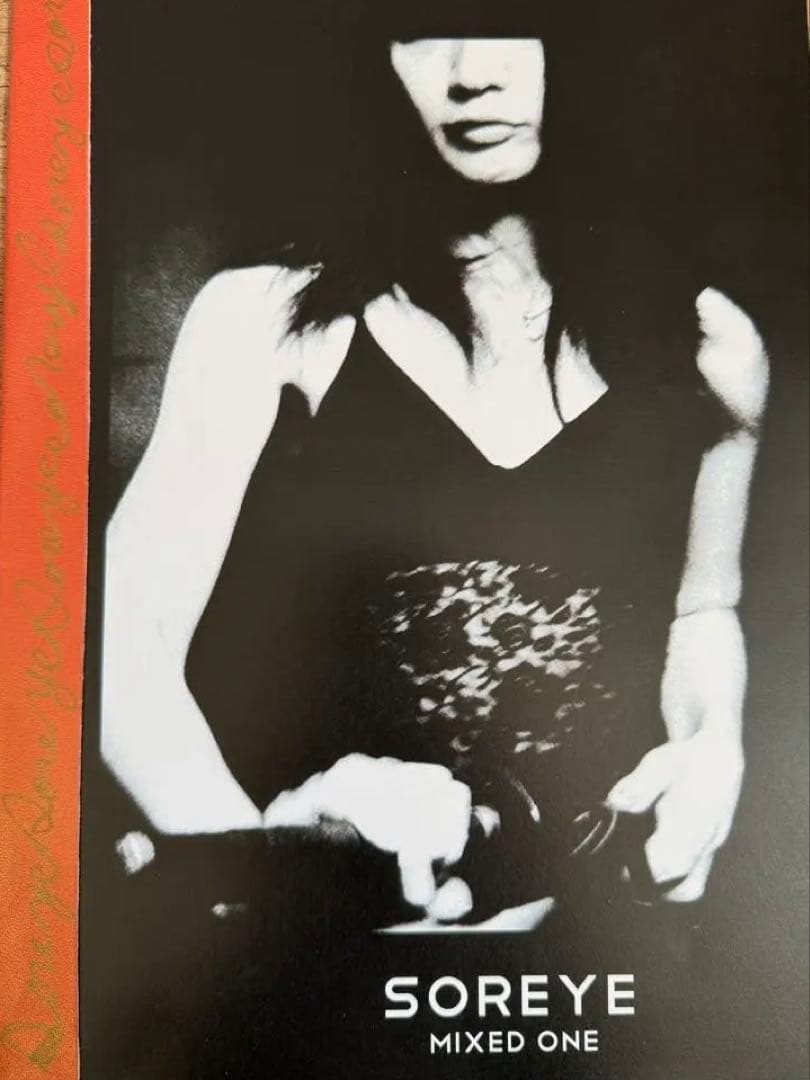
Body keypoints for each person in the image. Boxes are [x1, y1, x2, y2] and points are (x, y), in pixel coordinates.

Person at [100, 23, 769, 929]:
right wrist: (265, 877)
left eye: (518, 16)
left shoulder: (711, 350)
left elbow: (703, 609)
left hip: (593, 958)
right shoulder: (263, 323)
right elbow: (122, 655)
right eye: (424, 22)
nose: (470, 73)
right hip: (311, 958)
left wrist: (715, 746)